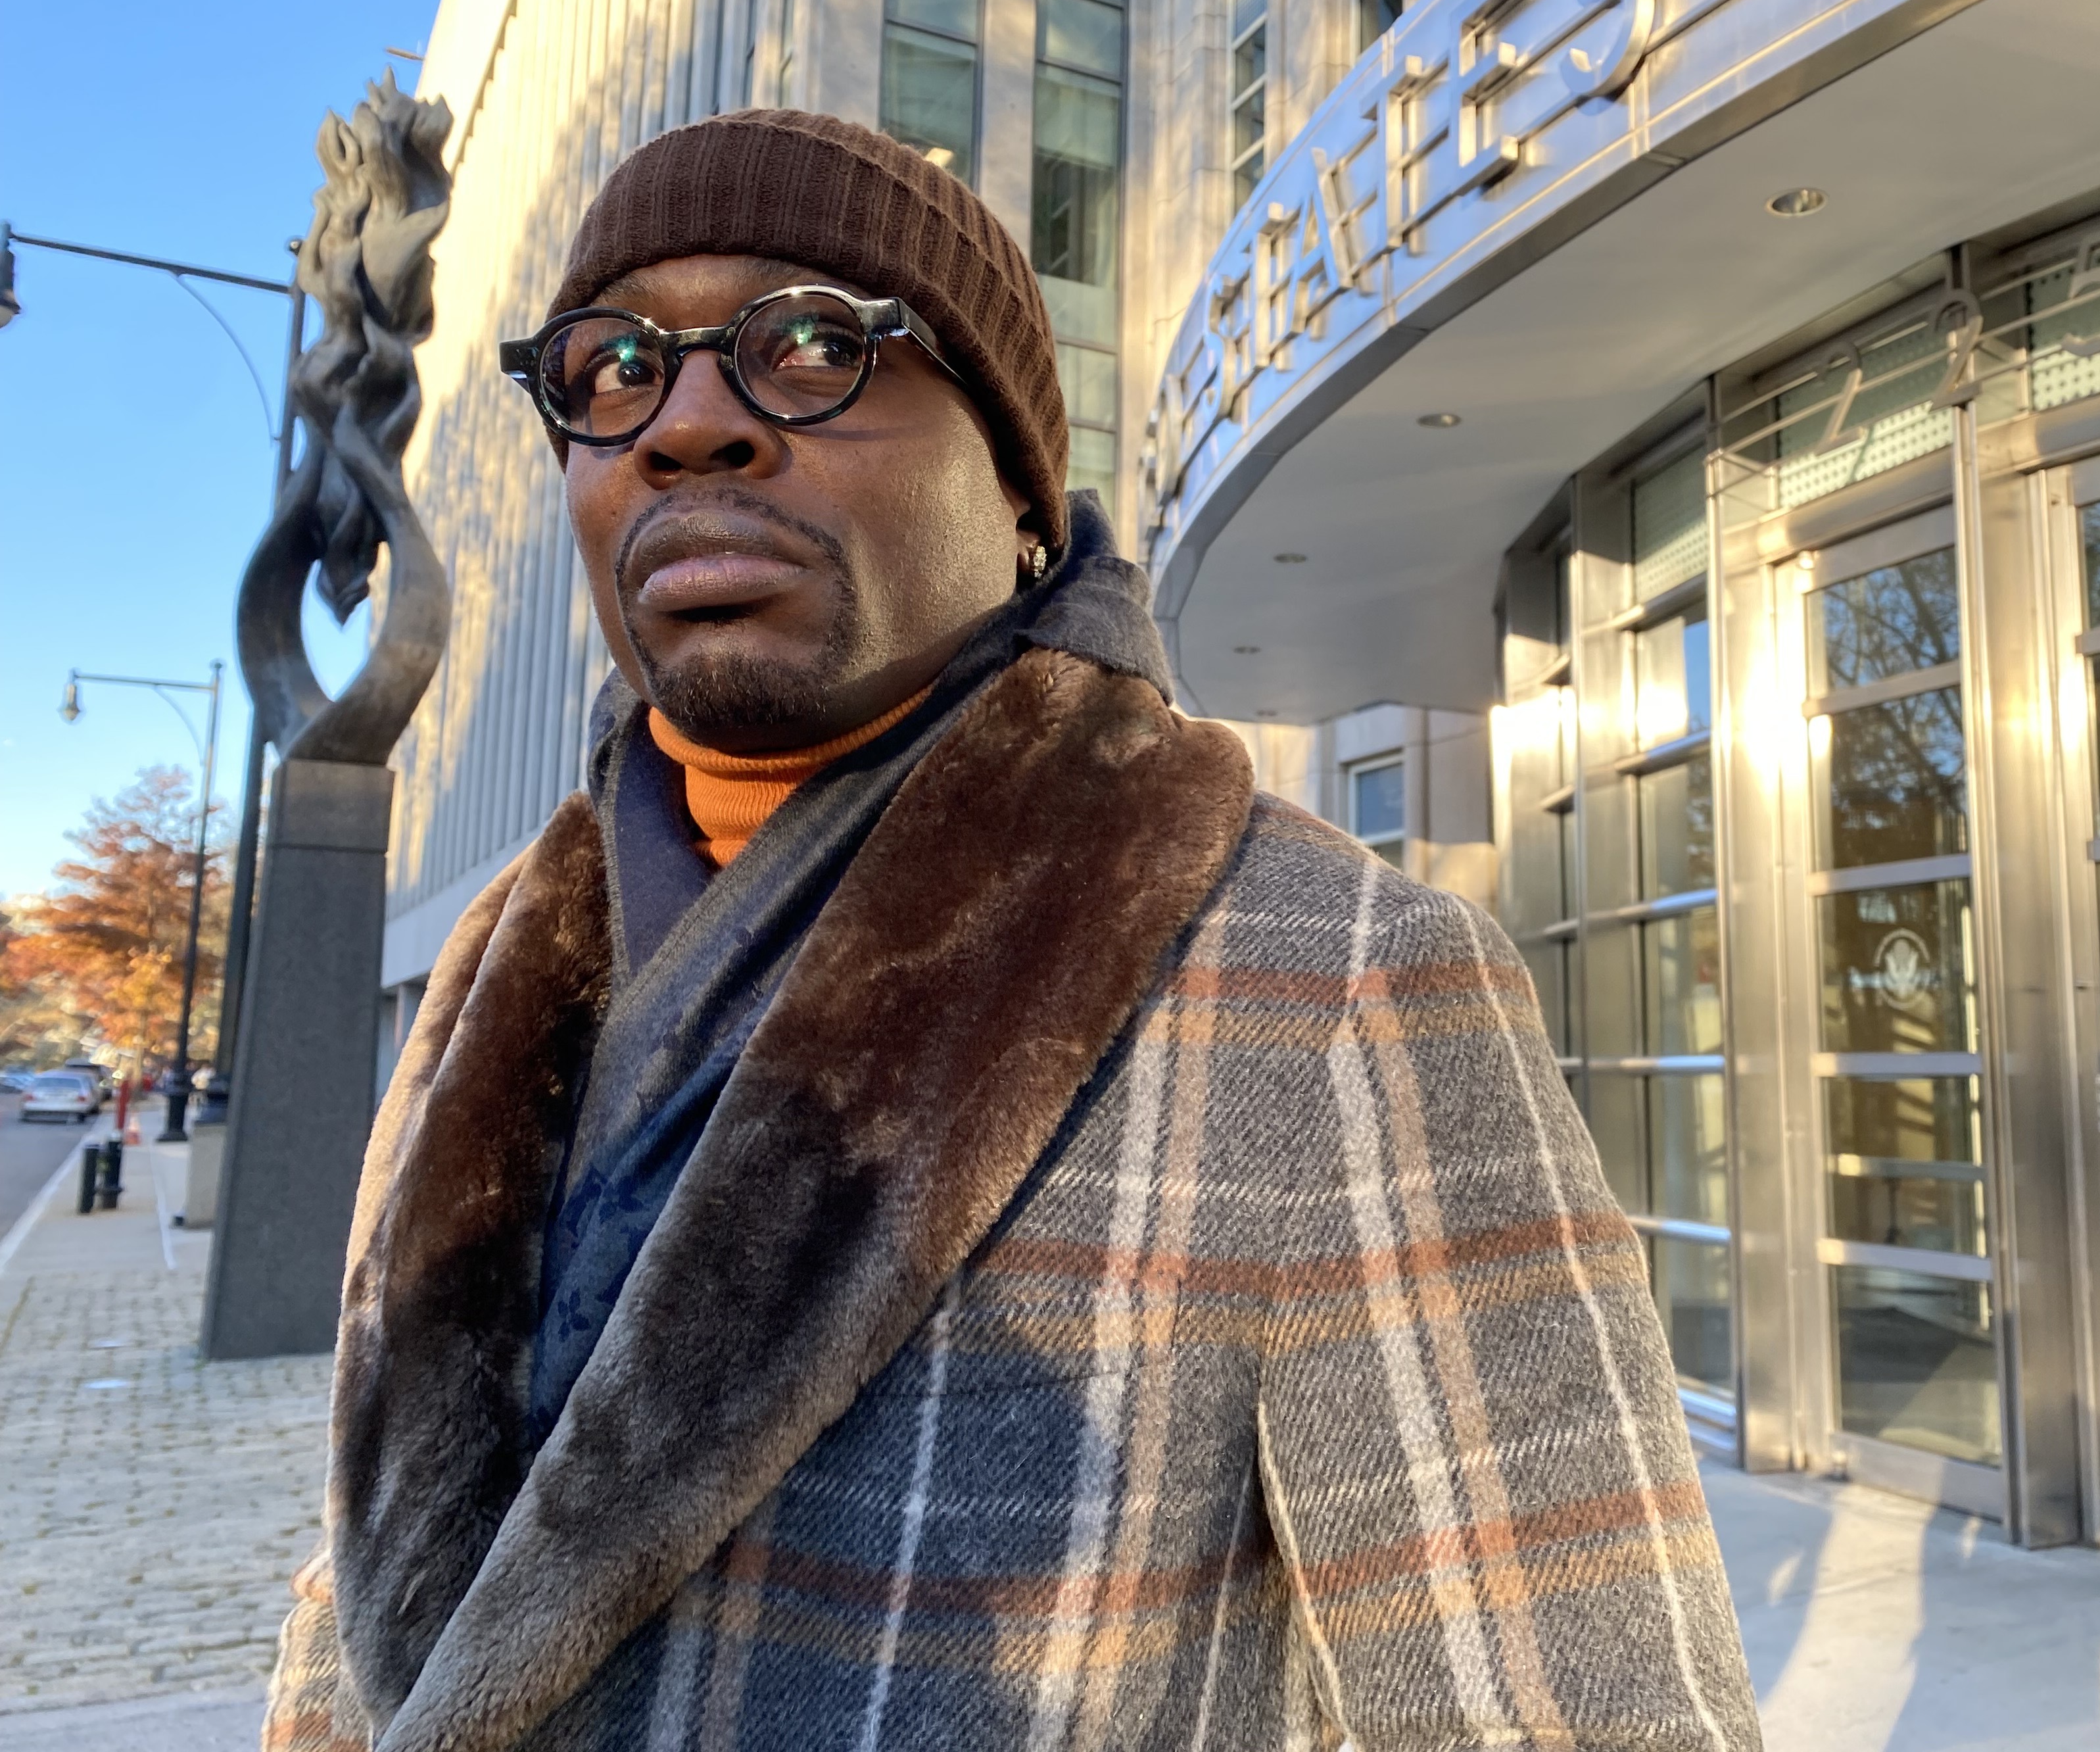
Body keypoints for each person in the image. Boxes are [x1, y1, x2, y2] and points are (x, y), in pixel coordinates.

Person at [263, 109, 1760, 1752]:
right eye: (613, 366)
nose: (685, 422)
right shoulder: (497, 960)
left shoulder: (1335, 984)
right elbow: (367, 1598)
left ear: (1023, 496)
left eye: (813, 342)